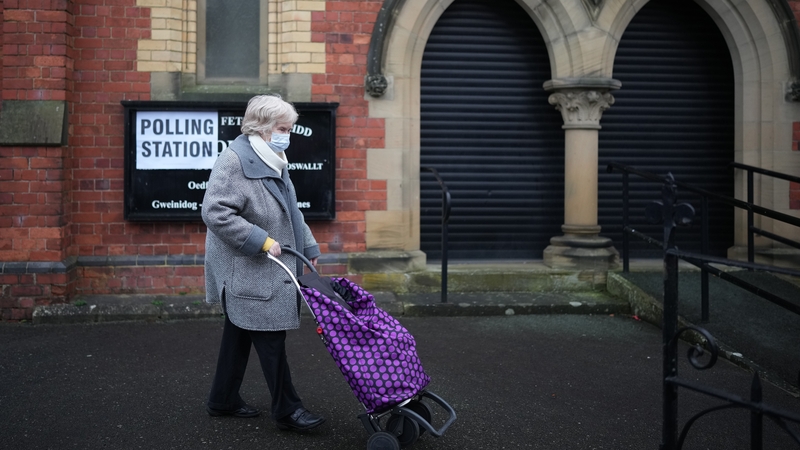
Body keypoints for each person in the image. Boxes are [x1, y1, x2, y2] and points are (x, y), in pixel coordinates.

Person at [202, 94, 325, 431]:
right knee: (270, 335)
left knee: (240, 331)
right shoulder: (234, 160)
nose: (287, 135)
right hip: (245, 265)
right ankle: (288, 410)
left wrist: (308, 243)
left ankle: (222, 400)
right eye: (283, 129)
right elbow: (215, 212)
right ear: (262, 127)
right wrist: (262, 241)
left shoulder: (273, 157)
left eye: (289, 129)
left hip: (263, 266)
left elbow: (290, 209)